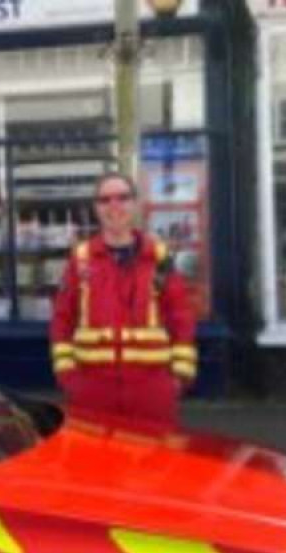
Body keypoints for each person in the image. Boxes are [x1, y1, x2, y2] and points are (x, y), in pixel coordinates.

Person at [50, 172, 197, 433]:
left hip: (151, 393)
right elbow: (62, 320)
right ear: (96, 208)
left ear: (135, 204)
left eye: (122, 198)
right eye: (105, 200)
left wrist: (179, 378)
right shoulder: (81, 260)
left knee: (156, 469)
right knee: (96, 468)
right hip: (93, 393)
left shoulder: (159, 257)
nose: (114, 206)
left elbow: (181, 318)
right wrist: (68, 377)